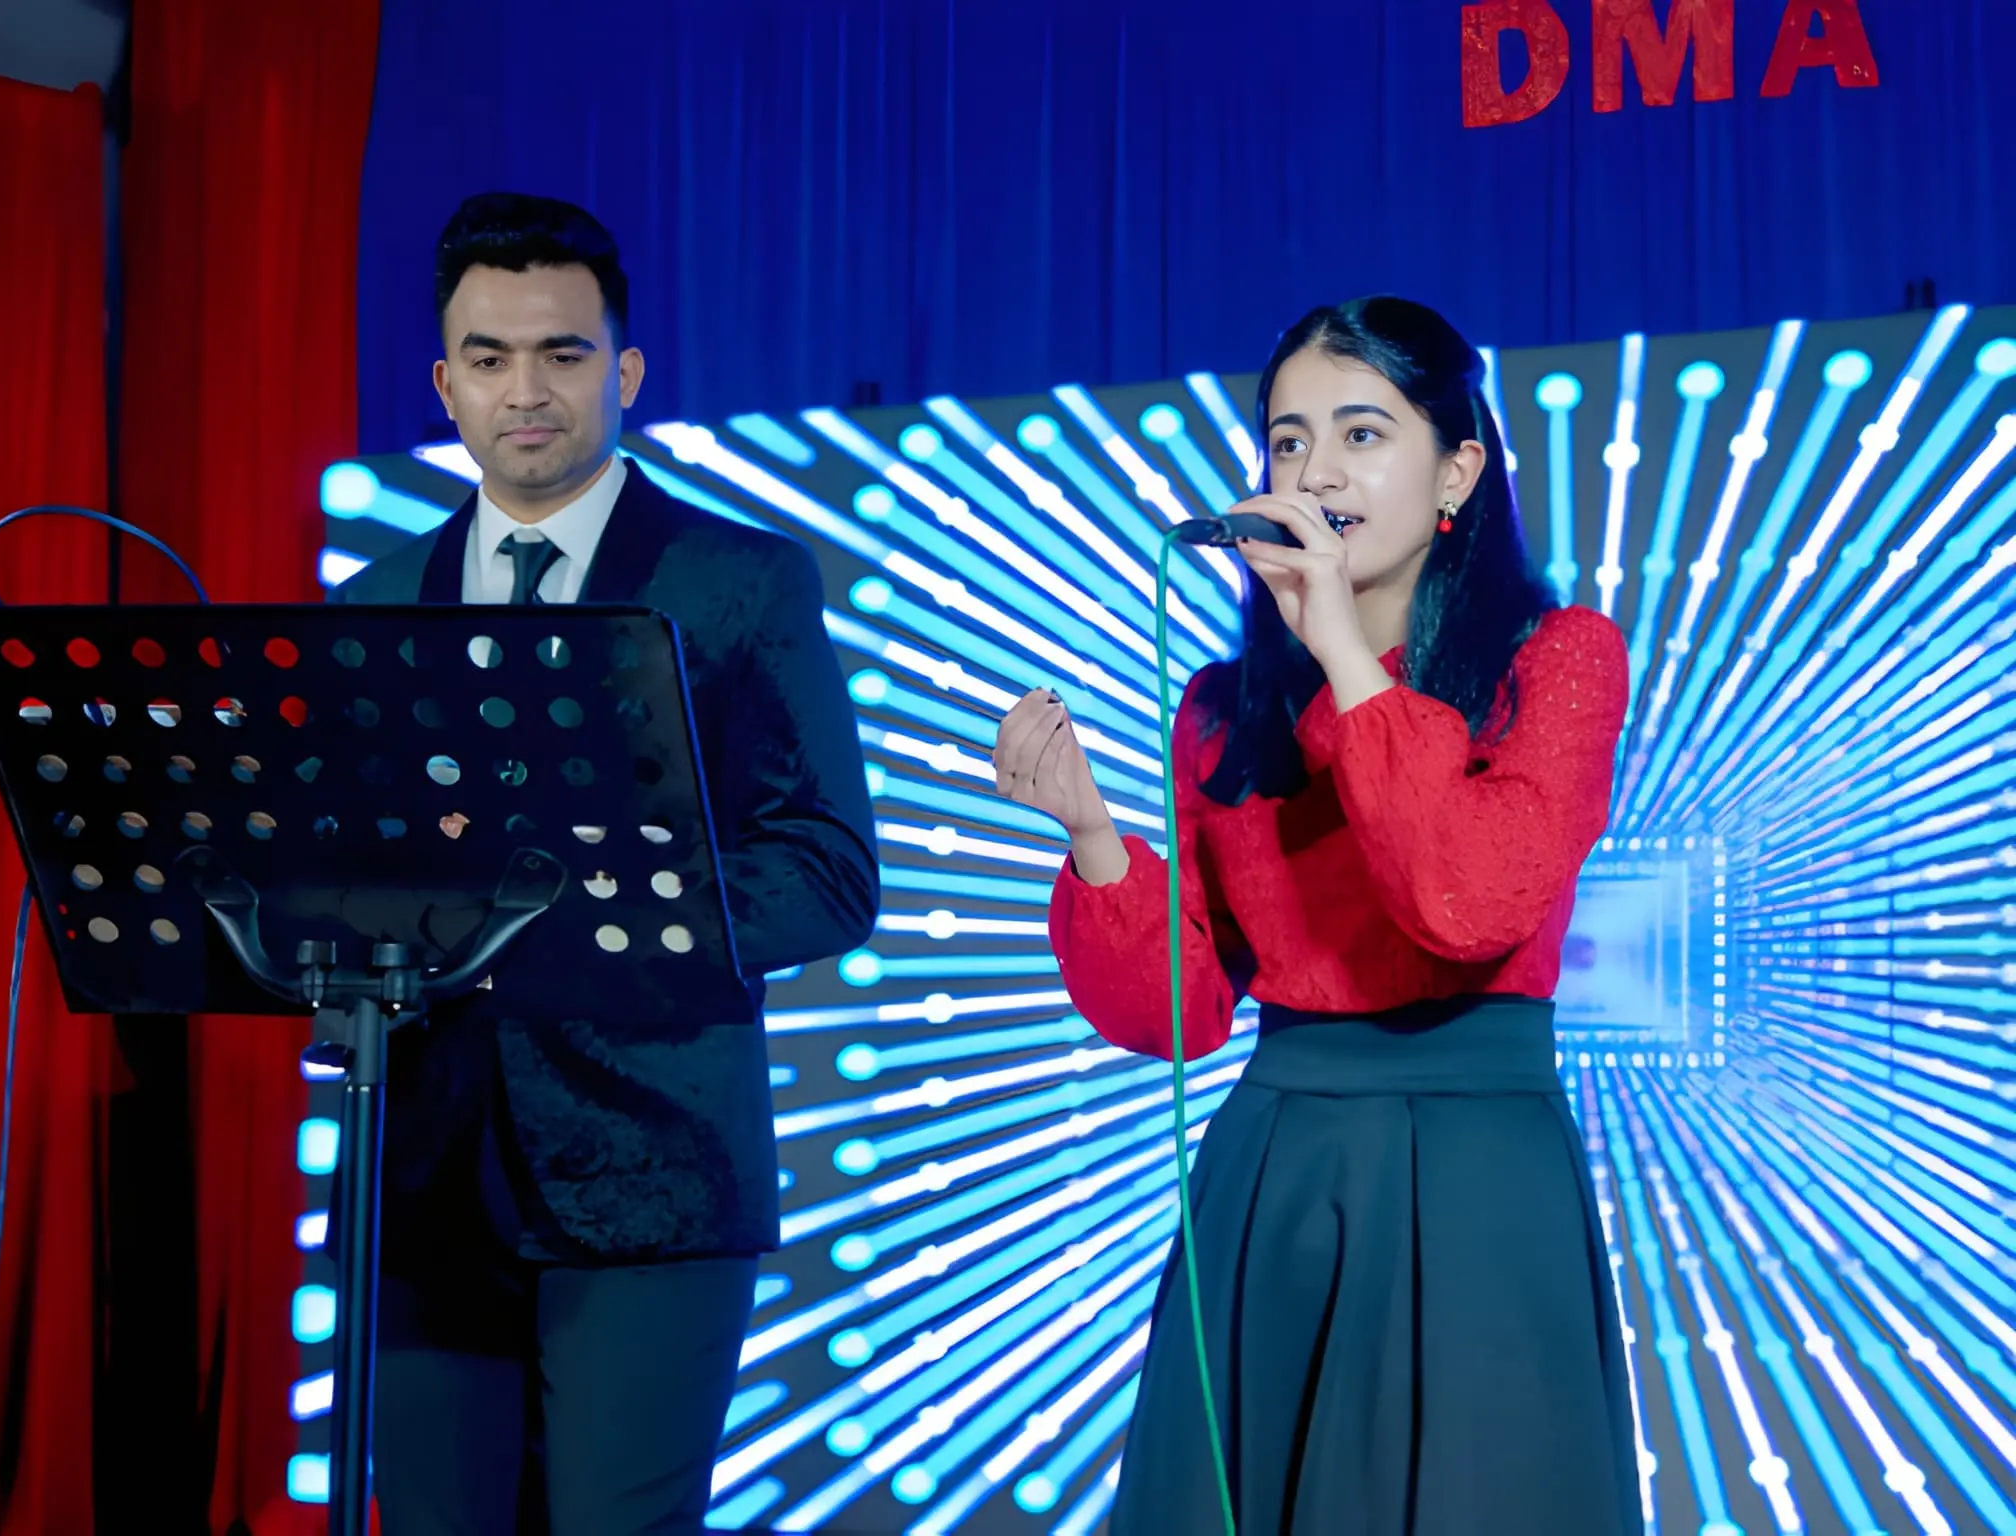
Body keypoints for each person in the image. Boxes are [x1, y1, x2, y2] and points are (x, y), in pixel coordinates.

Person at [993, 297, 1642, 1535]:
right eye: (1287, 442)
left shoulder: (1555, 660)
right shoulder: (1219, 710)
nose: (1315, 472)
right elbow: (1179, 1016)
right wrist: (1090, 836)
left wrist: (1344, 652)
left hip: (1478, 1164)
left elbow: (1465, 902)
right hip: (1279, 1164)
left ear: (1456, 472)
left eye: (1360, 433)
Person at [330, 192, 879, 1534]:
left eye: (562, 353)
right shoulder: (373, 604)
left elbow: (827, 870)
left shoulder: (738, 582)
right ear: (446, 385)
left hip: (655, 1178)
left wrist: (589, 910)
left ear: (624, 373)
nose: (525, 390)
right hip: (421, 1177)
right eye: (490, 357)